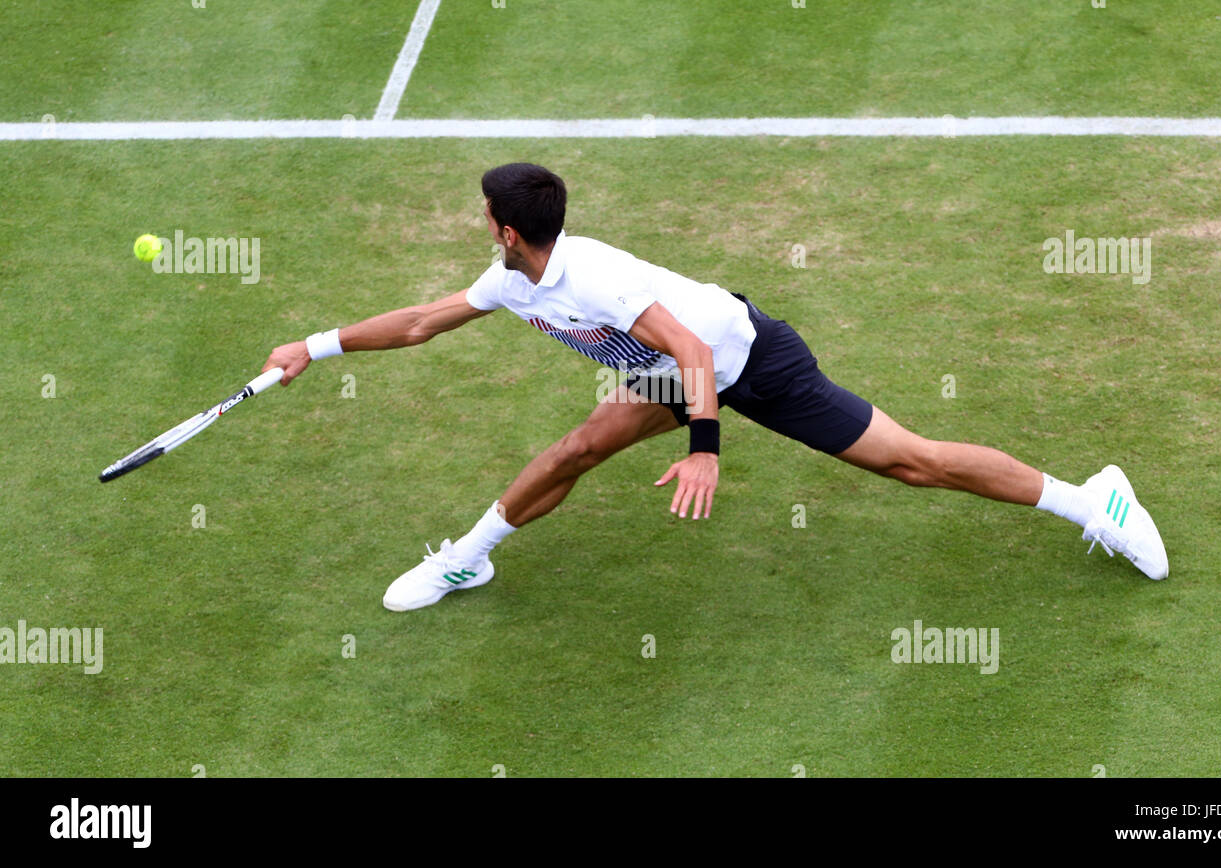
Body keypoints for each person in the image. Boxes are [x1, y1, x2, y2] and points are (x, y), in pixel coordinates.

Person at [261, 163, 1168, 611]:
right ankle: (468, 555)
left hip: (746, 362)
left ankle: (1094, 503)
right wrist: (314, 344)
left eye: (485, 217)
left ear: (506, 230)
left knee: (912, 463)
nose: (483, 225)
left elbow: (694, 351)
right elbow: (420, 321)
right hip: (657, 374)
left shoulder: (600, 279)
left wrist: (704, 453)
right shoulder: (508, 280)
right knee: (576, 448)